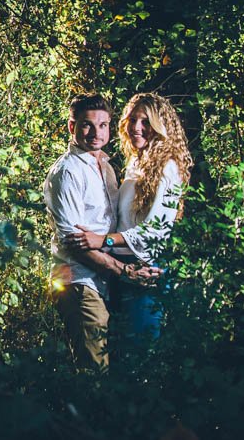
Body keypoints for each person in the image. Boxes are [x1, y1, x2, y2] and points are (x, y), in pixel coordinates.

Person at [63, 92, 192, 347]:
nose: (136, 127)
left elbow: (155, 231)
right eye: (132, 120)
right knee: (118, 354)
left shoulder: (168, 167)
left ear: (160, 125)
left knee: (138, 354)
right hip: (119, 268)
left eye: (145, 121)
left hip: (144, 268)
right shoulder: (137, 162)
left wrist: (102, 241)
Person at [42, 94, 158, 371]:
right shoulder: (67, 172)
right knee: (94, 373)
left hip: (106, 281)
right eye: (87, 125)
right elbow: (75, 245)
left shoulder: (105, 167)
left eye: (103, 125)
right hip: (81, 282)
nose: (96, 133)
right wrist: (125, 271)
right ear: (72, 127)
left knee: (116, 370)